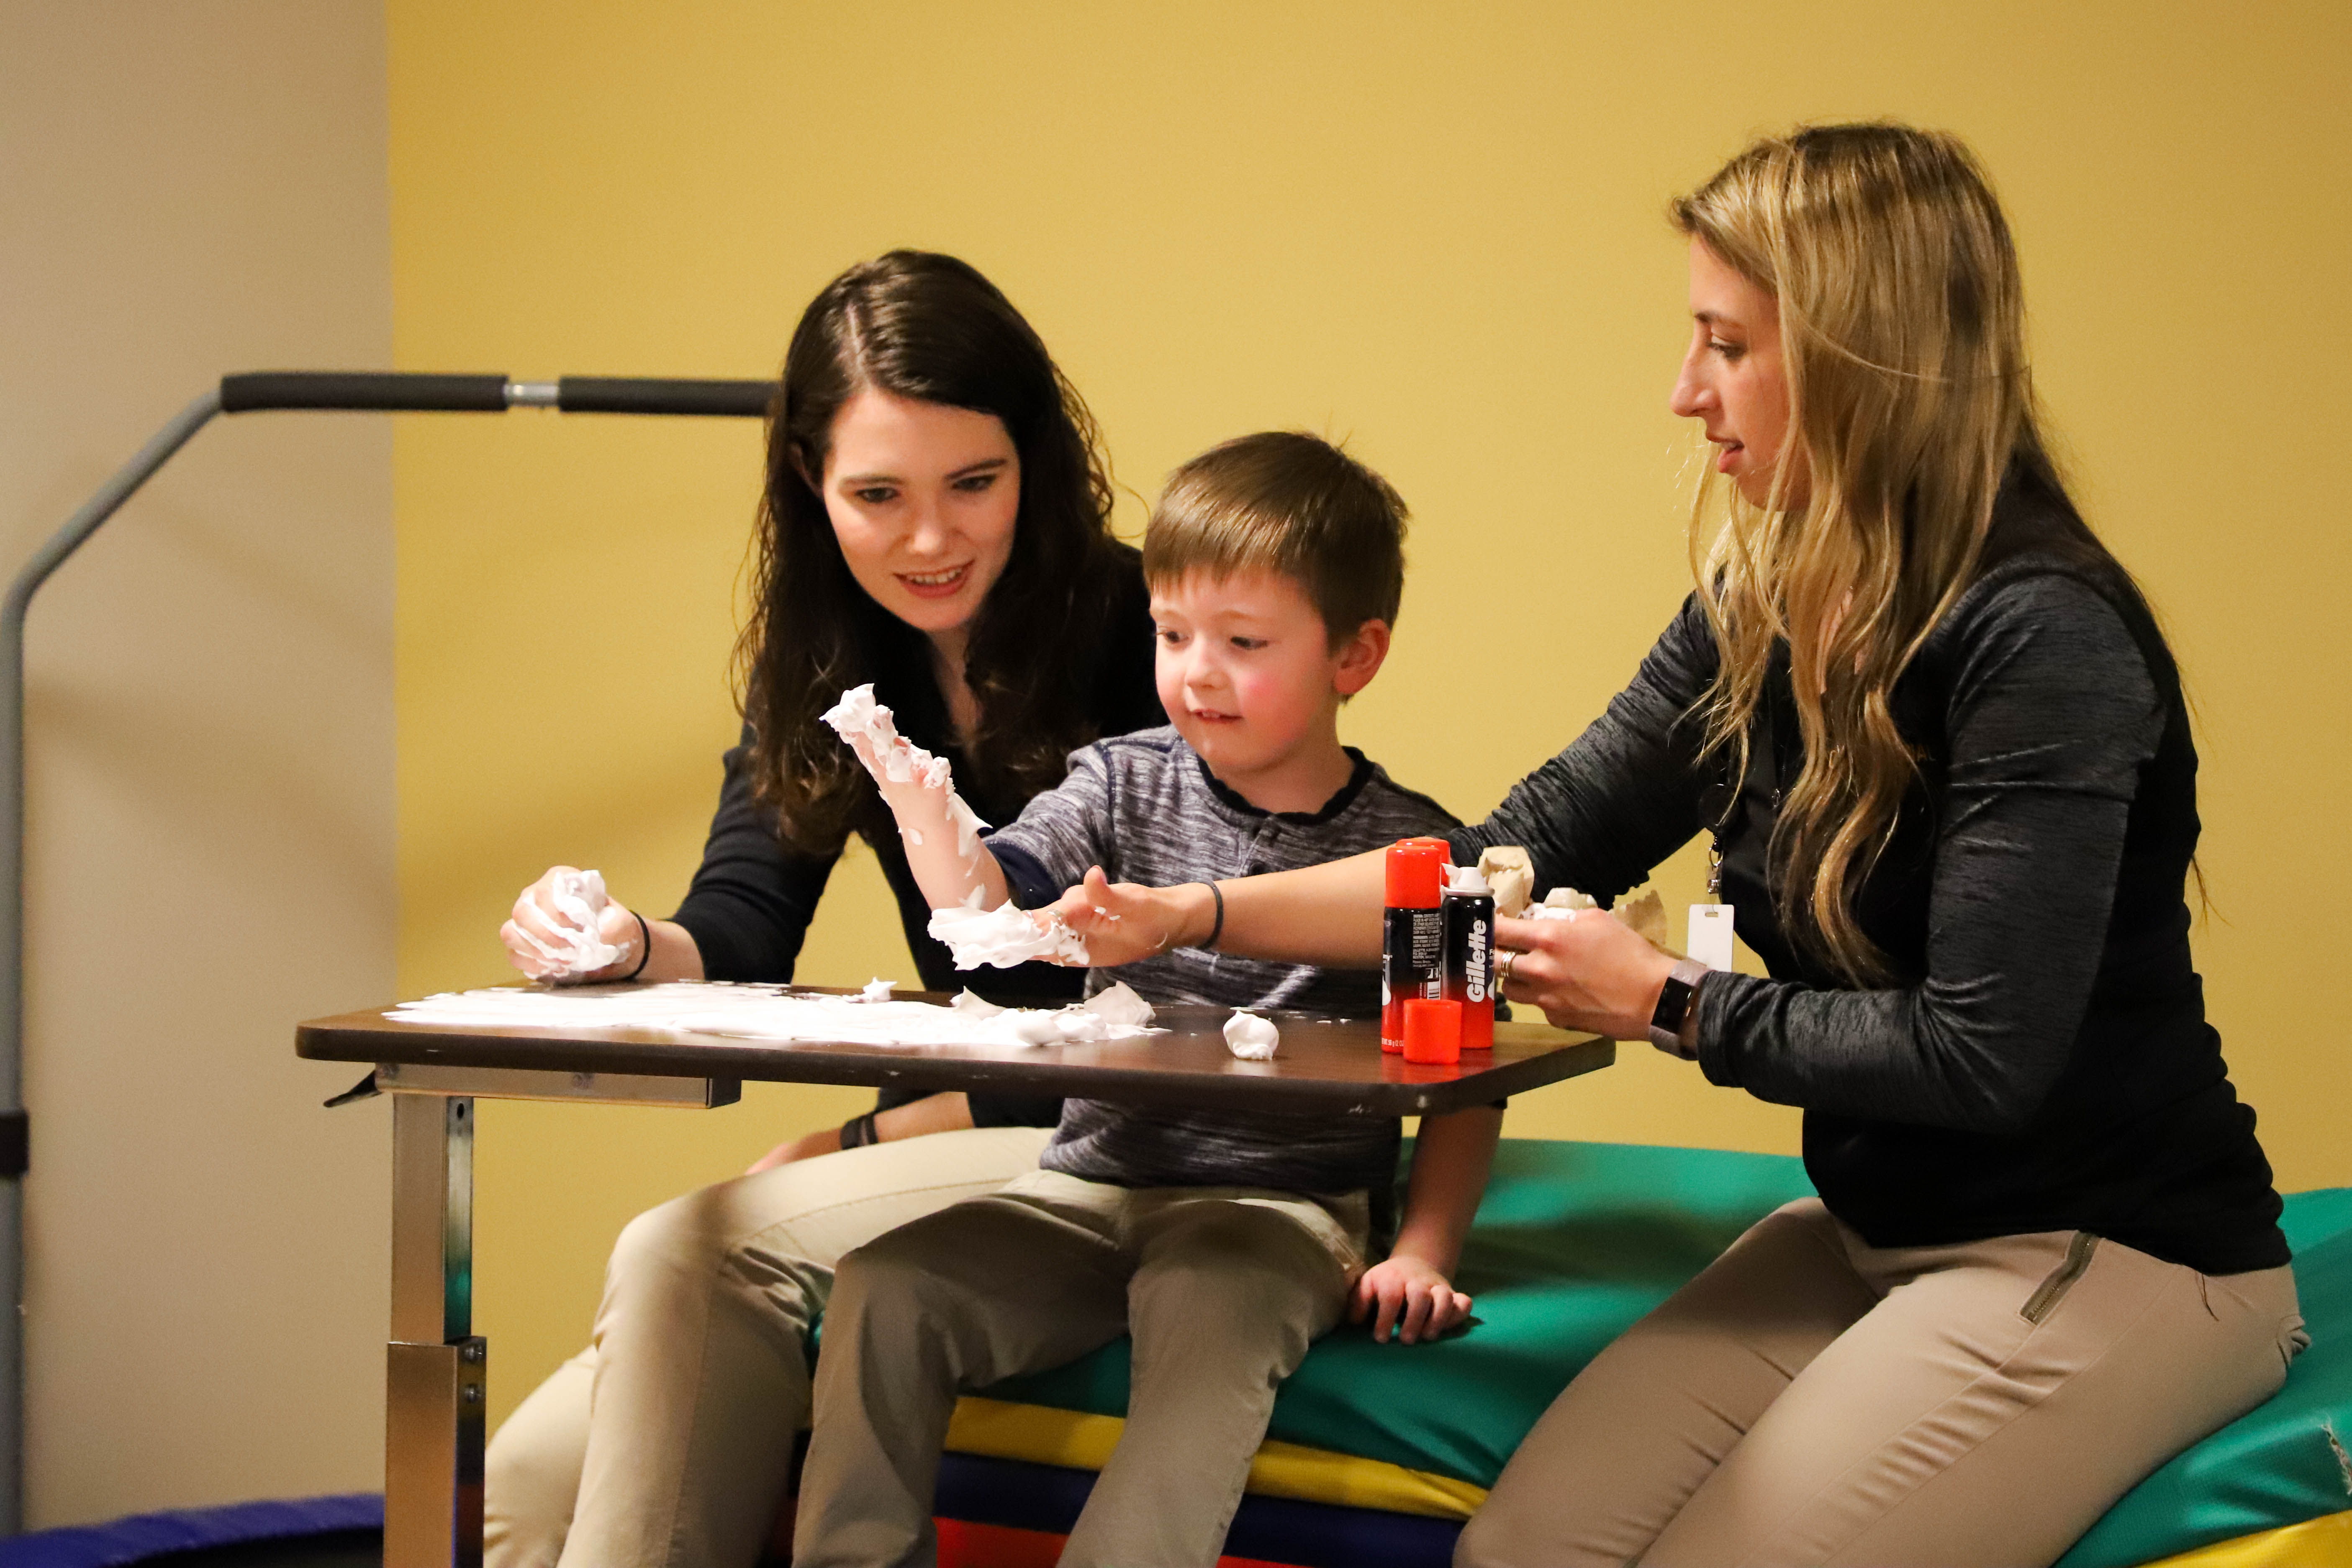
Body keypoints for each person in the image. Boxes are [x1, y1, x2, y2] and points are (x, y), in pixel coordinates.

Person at [1054, 126, 2307, 1568]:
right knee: (1514, 1551)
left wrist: (1665, 1004)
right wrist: (1186, 913)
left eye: (1724, 342)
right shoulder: (1759, 606)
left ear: (1857, 354)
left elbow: (1983, 1057)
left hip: (2117, 1257)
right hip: (1869, 1232)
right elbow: (1499, 858)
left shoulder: (2039, 637)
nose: (1682, 390)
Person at [483, 250, 1168, 1568]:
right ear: (808, 481)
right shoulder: (831, 657)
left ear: (1035, 460)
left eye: (975, 483)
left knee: (683, 1245)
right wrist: (624, 947)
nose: (931, 539)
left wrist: (874, 1128)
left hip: (1134, 1142)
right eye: (877, 494)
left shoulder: (1152, 632)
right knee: (521, 1475)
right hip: (984, 1122)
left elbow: (1143, 1014)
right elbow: (738, 926)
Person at [793, 431, 1502, 1568]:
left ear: (1354, 656)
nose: (1196, 670)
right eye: (1172, 634)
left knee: (1211, 1304)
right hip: (1091, 1184)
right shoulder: (1115, 778)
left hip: (1283, 1212)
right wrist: (935, 827)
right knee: (887, 1286)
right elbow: (999, 895)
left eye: (1242, 641)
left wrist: (1420, 1248)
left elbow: (1471, 1079)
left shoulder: (1419, 852)